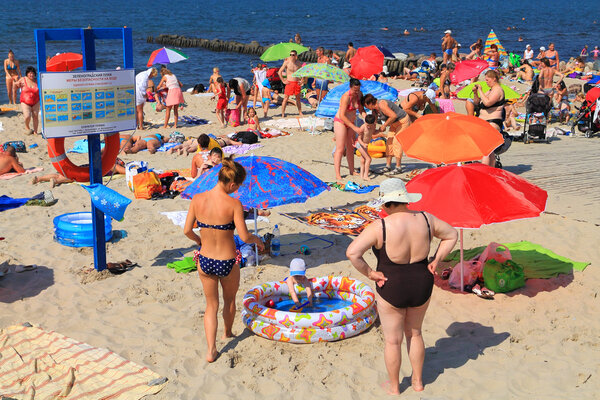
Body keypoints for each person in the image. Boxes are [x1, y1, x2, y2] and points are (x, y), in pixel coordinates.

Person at [346, 178, 458, 395]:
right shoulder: (426, 218)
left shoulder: (381, 226)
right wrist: (436, 260)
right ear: (405, 201)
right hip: (421, 282)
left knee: (392, 340)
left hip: (391, 285)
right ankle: (418, 383)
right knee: (415, 334)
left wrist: (370, 273)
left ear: (386, 204)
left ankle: (395, 388)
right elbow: (451, 235)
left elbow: (352, 252)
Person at [183, 157, 264, 362]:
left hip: (205, 259)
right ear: (232, 184)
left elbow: (186, 231)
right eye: (237, 187)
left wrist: (199, 240)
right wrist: (258, 240)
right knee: (229, 300)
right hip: (228, 260)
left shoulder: (197, 199)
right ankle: (227, 333)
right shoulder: (234, 203)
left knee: (211, 306)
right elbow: (245, 237)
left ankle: (211, 350)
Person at [465, 70, 505, 167]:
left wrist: (480, 90)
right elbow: (477, 102)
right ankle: (490, 170)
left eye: (488, 80)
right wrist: (475, 93)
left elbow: (487, 103)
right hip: (484, 122)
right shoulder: (490, 90)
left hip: (493, 121)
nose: (486, 82)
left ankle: (485, 170)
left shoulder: (498, 90)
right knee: (489, 150)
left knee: (486, 149)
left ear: (494, 79)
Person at [363, 94, 411, 174]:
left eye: (366, 106)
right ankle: (388, 166)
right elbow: (374, 122)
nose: (366, 108)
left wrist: (384, 125)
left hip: (402, 121)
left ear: (369, 103)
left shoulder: (381, 104)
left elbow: (393, 116)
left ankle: (398, 167)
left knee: (397, 142)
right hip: (394, 124)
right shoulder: (374, 110)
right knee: (389, 142)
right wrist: (372, 131)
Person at [333, 78, 366, 182]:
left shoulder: (359, 95)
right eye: (355, 90)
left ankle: (352, 170)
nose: (356, 92)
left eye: (358, 89)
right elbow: (342, 115)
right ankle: (338, 174)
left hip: (351, 122)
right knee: (340, 148)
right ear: (350, 87)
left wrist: (366, 119)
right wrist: (355, 127)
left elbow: (361, 109)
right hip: (340, 122)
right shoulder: (346, 97)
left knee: (351, 147)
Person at [278, 50, 304, 118]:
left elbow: (302, 72)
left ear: (296, 56)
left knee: (298, 98)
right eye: (290, 55)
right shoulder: (287, 62)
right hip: (289, 82)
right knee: (286, 98)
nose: (291, 56)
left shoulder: (298, 63)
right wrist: (283, 80)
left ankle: (300, 112)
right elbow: (279, 72)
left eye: (293, 55)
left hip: (297, 82)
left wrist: (302, 80)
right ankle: (283, 113)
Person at [15, 67, 39, 135]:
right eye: (30, 73)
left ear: (35, 74)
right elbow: (15, 86)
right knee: (27, 116)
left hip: (36, 101)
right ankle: (27, 126)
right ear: (27, 74)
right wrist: (16, 84)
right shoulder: (23, 79)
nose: (31, 74)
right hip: (25, 101)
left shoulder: (37, 80)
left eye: (33, 73)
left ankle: (35, 131)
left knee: (35, 115)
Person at [355, 113, 379, 181]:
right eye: (367, 125)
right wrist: (363, 144)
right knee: (368, 159)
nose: (368, 127)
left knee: (363, 160)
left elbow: (373, 133)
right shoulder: (363, 127)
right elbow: (359, 138)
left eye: (370, 126)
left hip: (366, 145)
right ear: (365, 122)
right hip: (360, 144)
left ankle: (362, 175)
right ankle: (366, 175)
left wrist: (379, 130)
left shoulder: (373, 126)